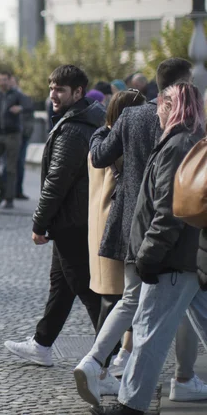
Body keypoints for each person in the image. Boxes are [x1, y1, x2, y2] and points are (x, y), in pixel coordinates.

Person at [78, 59, 207, 410]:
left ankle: (129, 404)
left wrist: (149, 254)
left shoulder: (179, 144)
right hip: (179, 255)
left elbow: (167, 210)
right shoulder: (182, 139)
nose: (156, 114)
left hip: (169, 258)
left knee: (149, 332)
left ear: (170, 105)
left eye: (161, 108)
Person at [3, 65, 104, 366]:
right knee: (61, 287)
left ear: (78, 92)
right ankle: (42, 344)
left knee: (87, 291)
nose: (53, 95)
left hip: (72, 222)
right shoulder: (85, 117)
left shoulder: (73, 129)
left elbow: (56, 182)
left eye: (60, 89)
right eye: (51, 88)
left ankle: (113, 356)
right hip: (73, 220)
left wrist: (39, 223)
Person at [74, 91, 148, 403]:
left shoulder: (101, 139)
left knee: (125, 298)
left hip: (102, 225)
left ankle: (117, 360)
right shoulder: (115, 144)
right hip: (117, 227)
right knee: (121, 299)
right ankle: (102, 366)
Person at [0, 70, 24, 209]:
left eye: (4, 79)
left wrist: (20, 108)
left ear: (9, 80)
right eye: (0, 80)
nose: (2, 82)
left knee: (10, 167)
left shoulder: (17, 95)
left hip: (13, 135)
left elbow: (29, 107)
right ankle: (2, 190)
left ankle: (9, 198)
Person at [4, 75, 35, 201]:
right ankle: (8, 191)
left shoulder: (23, 98)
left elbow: (29, 108)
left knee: (19, 163)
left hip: (22, 135)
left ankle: (17, 190)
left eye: (12, 83)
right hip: (11, 135)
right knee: (10, 164)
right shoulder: (6, 97)